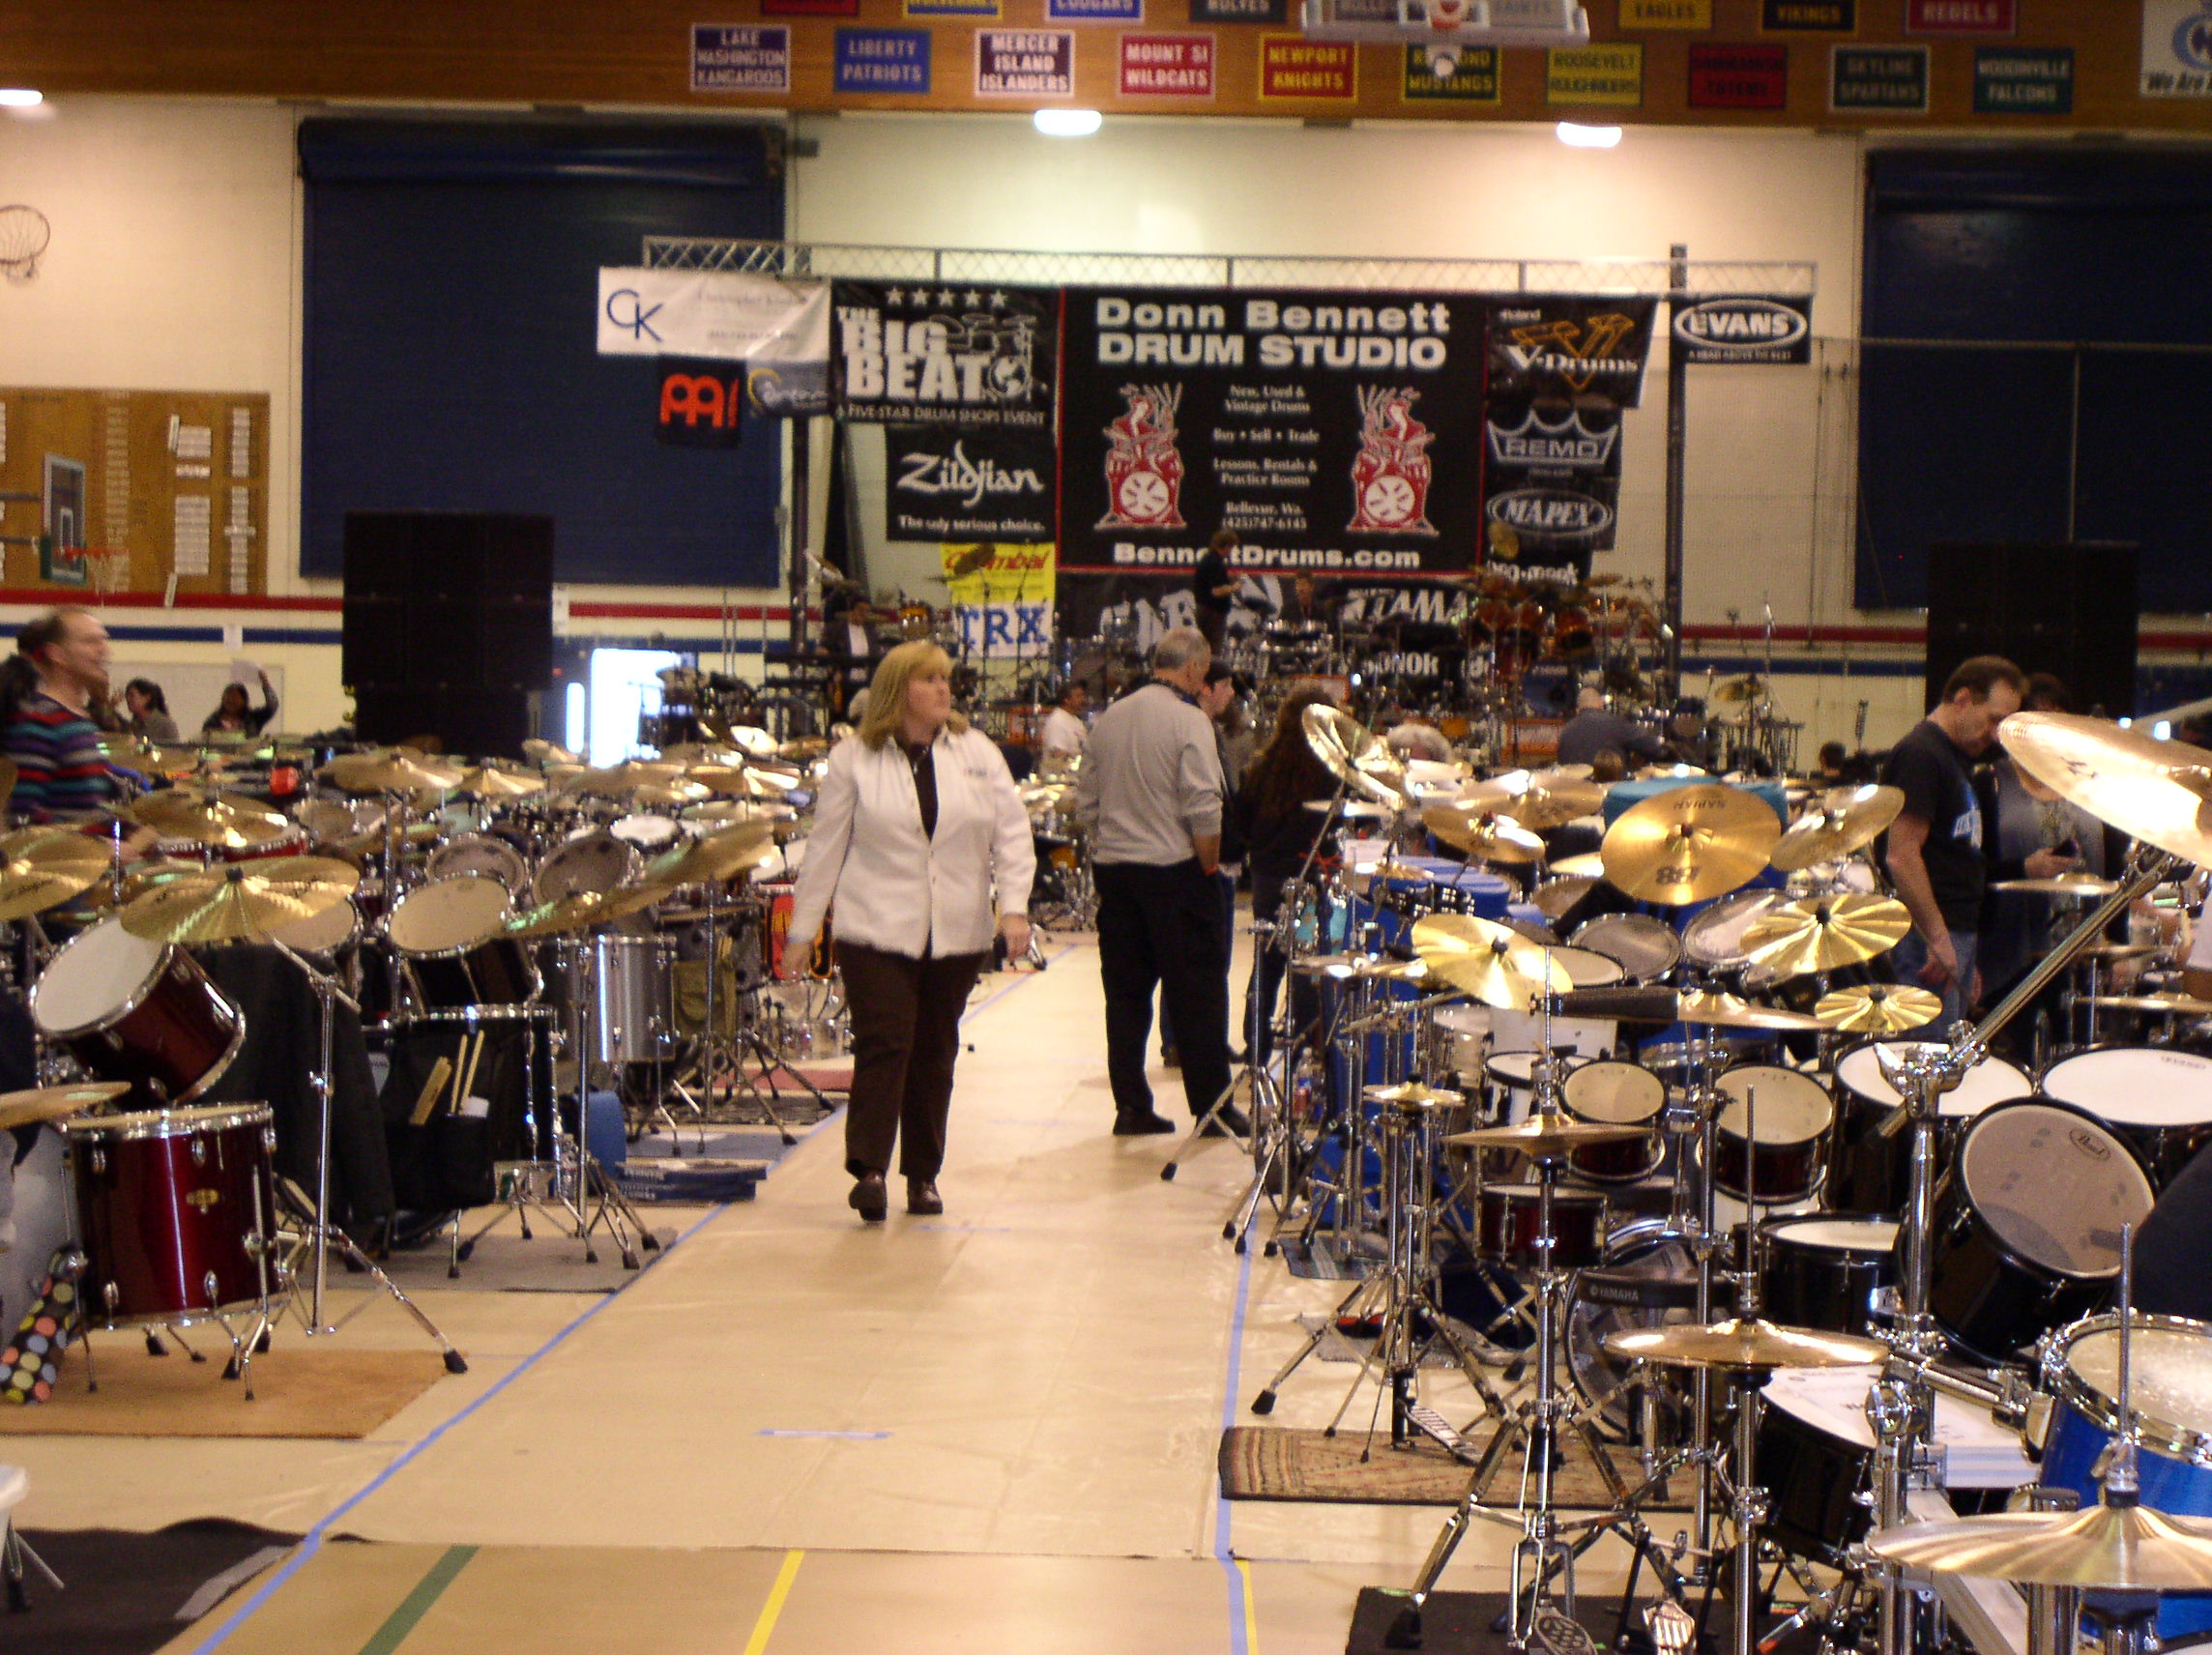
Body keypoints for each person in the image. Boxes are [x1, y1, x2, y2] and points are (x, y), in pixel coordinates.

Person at [784, 641, 1034, 1223]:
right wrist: (803, 930)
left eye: (946, 680)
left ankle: (923, 1175)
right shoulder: (855, 758)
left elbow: (1012, 834)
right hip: (875, 928)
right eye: (929, 680)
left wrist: (1015, 908)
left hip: (957, 929)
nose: (944, 690)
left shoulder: (977, 752)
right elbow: (826, 847)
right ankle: (869, 1170)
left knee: (935, 1050)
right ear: (899, 691)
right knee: (886, 1041)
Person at [1074, 627, 1243, 1138]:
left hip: (1117, 876)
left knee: (1125, 997)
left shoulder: (1109, 719)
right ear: (1192, 669)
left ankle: (1131, 1106)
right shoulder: (1189, 720)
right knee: (1198, 996)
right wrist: (1208, 869)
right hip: (1176, 874)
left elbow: (1086, 805)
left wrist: (1111, 848)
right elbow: (1203, 805)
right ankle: (1211, 1110)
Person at [1879, 654, 2026, 1034]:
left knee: (1946, 1053)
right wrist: (1939, 938)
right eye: (1993, 719)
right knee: (1928, 1057)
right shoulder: (1921, 754)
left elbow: (1954, 854)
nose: (1996, 735)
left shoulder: (1953, 758)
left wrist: (1963, 954)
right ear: (1963, 699)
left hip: (1950, 933)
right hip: (1928, 938)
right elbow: (1901, 855)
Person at [1231, 683, 1342, 1064]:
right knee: (1306, 967)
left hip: (1267, 876)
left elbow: (1242, 822)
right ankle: (1303, 1051)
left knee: (1267, 964)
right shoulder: (1330, 772)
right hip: (1310, 876)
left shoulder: (1261, 768)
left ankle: (1256, 1049)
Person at [2, 607, 126, 824]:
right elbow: (22, 819)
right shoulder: (38, 721)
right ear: (57, 654)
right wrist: (100, 840)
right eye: (90, 641)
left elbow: (90, 810)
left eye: (103, 640)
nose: (104, 650)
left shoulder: (81, 720)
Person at [1556, 686, 1663, 769]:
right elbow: (1651, 745)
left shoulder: (1566, 730)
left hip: (1572, 787)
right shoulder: (1615, 723)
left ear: (1578, 709)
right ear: (1601, 704)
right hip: (1607, 786)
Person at [1189, 529, 1240, 653]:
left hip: (1206, 611)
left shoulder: (1208, 559)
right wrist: (1234, 587)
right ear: (1227, 546)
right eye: (1231, 548)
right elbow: (1216, 591)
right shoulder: (1215, 563)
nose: (1231, 551)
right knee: (1213, 650)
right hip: (1212, 614)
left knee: (1204, 649)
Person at [203, 670, 279, 736]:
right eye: (228, 699)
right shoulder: (212, 722)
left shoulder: (253, 719)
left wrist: (265, 684)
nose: (231, 701)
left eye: (235, 698)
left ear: (244, 701)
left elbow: (272, 706)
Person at [1038, 682, 1090, 765]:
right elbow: (1057, 754)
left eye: (1083, 696)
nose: (1083, 700)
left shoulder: (1076, 720)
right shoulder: (1057, 720)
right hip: (1061, 770)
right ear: (1066, 700)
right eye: (1078, 696)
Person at [121, 678, 180, 743]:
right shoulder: (133, 725)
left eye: (132, 695)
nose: (128, 699)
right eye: (127, 695)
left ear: (147, 698)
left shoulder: (165, 724)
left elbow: (175, 747)